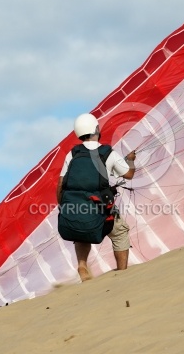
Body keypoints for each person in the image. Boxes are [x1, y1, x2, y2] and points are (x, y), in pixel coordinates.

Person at [56, 113, 136, 282]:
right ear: (97, 129)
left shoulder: (73, 154)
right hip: (101, 208)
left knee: (81, 232)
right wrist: (130, 160)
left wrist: (65, 207)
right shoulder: (107, 153)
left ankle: (82, 265)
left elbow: (61, 184)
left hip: (75, 207)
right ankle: (122, 273)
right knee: (120, 232)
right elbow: (128, 174)